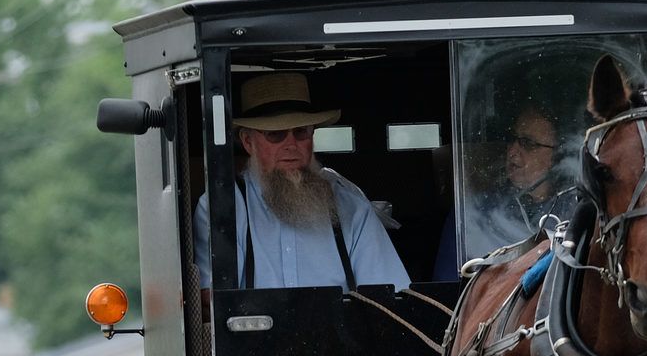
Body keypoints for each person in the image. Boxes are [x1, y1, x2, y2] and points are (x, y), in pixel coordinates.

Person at [192, 72, 410, 291]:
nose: (291, 145)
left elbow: (390, 295)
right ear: (248, 142)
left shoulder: (351, 207)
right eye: (275, 134)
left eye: (301, 132)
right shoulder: (223, 208)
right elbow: (211, 300)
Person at [433, 105, 576, 279]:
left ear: (557, 156)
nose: (513, 151)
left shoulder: (577, 211)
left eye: (528, 143)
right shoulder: (474, 214)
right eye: (512, 140)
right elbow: (447, 288)